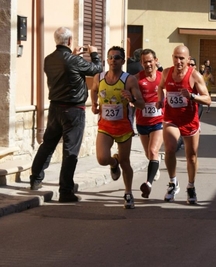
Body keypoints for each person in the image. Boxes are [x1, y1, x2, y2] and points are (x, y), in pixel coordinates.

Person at [29, 27, 102, 203]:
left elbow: (67, 68)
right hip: (74, 109)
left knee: (48, 144)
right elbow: (96, 69)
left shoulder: (48, 59)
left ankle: (35, 179)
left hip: (54, 107)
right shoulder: (73, 61)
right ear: (69, 41)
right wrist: (94, 53)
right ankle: (65, 190)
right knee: (71, 151)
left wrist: (74, 56)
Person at [91, 46, 145, 209]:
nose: (113, 60)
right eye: (110, 57)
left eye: (117, 57)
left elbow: (141, 104)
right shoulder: (98, 78)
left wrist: (132, 99)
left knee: (126, 162)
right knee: (102, 159)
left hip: (123, 127)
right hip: (105, 126)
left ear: (123, 61)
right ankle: (113, 163)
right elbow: (93, 91)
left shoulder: (129, 80)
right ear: (107, 60)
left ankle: (128, 193)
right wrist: (94, 104)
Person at [156, 45, 211, 204]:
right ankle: (173, 182)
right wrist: (160, 99)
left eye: (182, 58)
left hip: (189, 120)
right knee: (170, 148)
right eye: (175, 57)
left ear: (188, 60)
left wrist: (192, 96)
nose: (178, 61)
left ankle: (191, 186)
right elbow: (160, 87)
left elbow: (207, 99)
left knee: (191, 156)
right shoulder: (166, 73)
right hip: (171, 118)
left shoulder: (195, 76)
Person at [134, 49, 164, 199]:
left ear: (156, 60)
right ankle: (156, 163)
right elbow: (131, 96)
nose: (148, 64)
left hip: (159, 121)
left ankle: (148, 183)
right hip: (142, 121)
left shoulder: (162, 77)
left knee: (153, 150)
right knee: (149, 153)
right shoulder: (136, 79)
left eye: (150, 61)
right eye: (145, 62)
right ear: (141, 63)